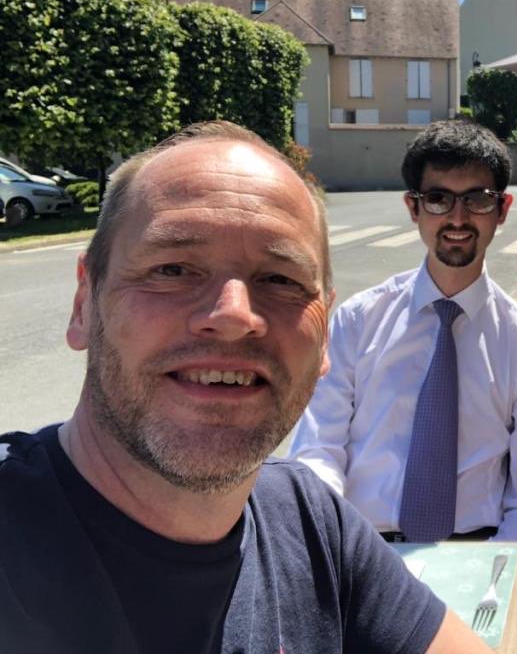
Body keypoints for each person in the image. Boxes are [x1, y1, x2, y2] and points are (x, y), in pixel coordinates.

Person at [0, 121, 489, 653]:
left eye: (280, 280)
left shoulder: (308, 521)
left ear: (324, 332)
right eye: (173, 268)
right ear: (83, 305)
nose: (234, 316)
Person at [290, 120, 517, 542]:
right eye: (438, 199)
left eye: (477, 199)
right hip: (362, 548)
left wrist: (490, 577)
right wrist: (333, 545)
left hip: (479, 553)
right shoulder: (357, 322)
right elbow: (318, 449)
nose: (457, 217)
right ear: (413, 208)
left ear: (503, 209)